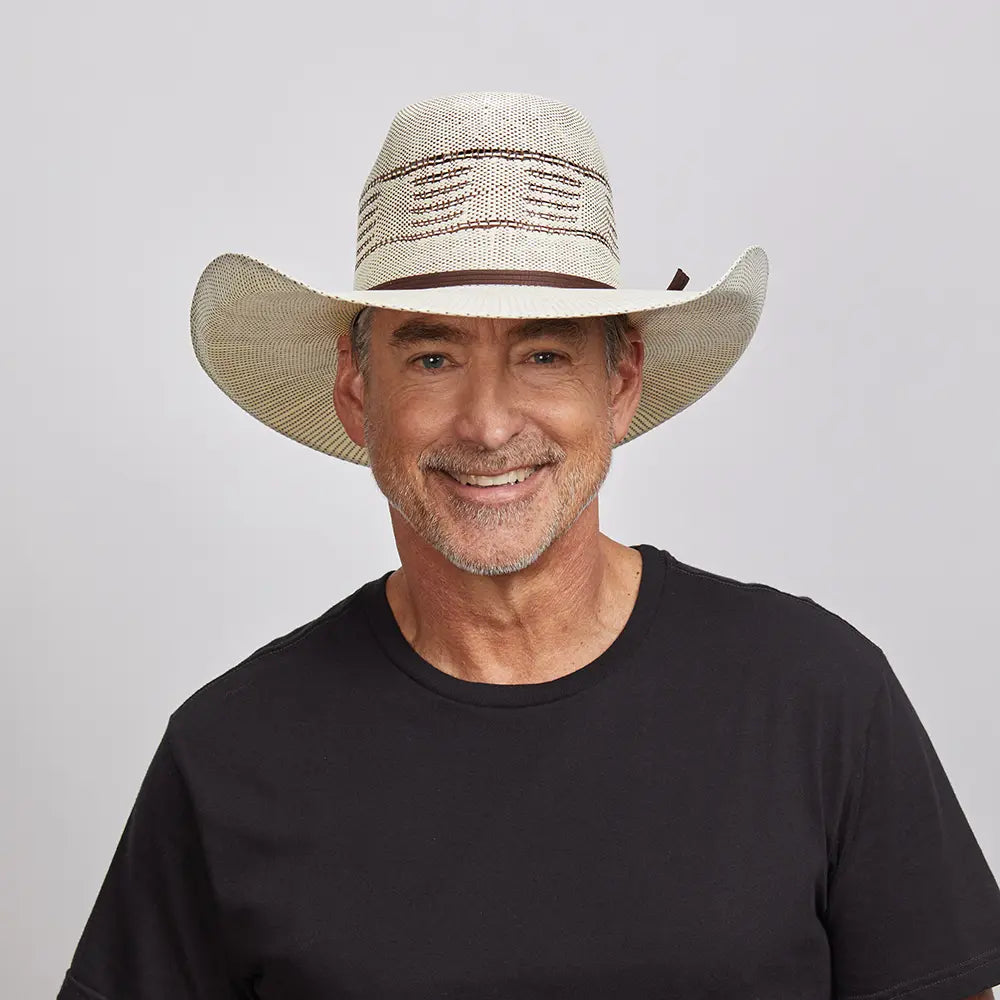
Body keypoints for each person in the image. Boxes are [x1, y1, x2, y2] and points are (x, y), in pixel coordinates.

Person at [57, 91, 1000, 1000]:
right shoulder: (230, 753)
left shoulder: (818, 698)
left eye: (543, 354)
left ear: (620, 378)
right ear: (356, 390)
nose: (488, 423)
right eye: (433, 358)